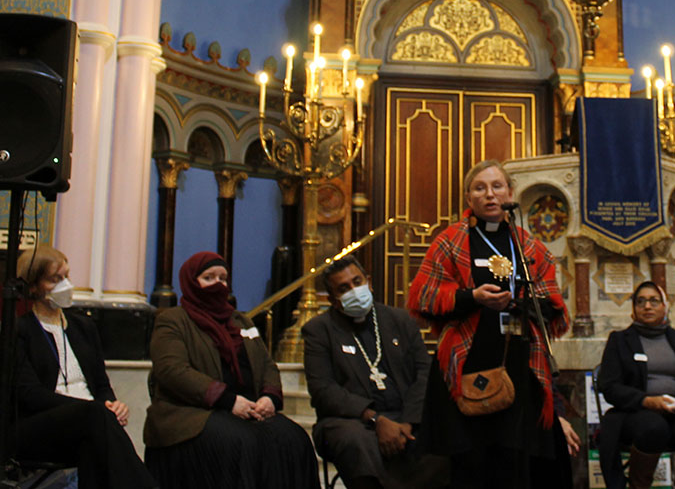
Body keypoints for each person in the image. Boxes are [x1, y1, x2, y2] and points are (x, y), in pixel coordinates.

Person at [407, 159, 571, 489]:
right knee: (472, 463)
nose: (490, 195)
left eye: (497, 187)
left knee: (515, 462)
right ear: (469, 198)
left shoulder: (528, 245)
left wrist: (518, 301)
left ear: (511, 193)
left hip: (519, 363)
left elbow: (552, 303)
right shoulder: (450, 240)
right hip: (467, 359)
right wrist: (472, 297)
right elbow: (422, 296)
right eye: (480, 188)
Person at [143, 251, 319, 489]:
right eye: (209, 278)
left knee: (293, 439)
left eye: (223, 278)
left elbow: (266, 364)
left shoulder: (241, 321)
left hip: (248, 408)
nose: (218, 284)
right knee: (240, 442)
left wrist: (269, 397)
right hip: (190, 412)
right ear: (191, 281)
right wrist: (227, 400)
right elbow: (172, 370)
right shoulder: (173, 320)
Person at [14, 245, 157, 489]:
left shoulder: (84, 327)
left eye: (66, 276)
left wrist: (112, 403)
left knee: (96, 438)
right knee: (97, 418)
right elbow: (31, 395)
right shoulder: (21, 330)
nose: (64, 285)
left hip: (89, 421)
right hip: (39, 424)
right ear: (33, 286)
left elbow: (101, 385)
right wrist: (93, 408)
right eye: (54, 279)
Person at [302, 255, 446, 489]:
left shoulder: (400, 320)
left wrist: (408, 422)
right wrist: (376, 419)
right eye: (344, 288)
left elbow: (424, 372)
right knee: (355, 441)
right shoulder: (319, 330)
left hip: (405, 415)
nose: (354, 290)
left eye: (357, 282)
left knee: (445, 433)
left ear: (369, 282)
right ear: (333, 299)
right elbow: (323, 390)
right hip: (351, 420)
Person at [597, 281, 675, 489]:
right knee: (653, 428)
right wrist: (646, 400)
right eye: (641, 302)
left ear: (665, 307)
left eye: (653, 301)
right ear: (633, 310)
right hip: (635, 412)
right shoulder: (620, 340)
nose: (647, 306)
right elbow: (610, 386)